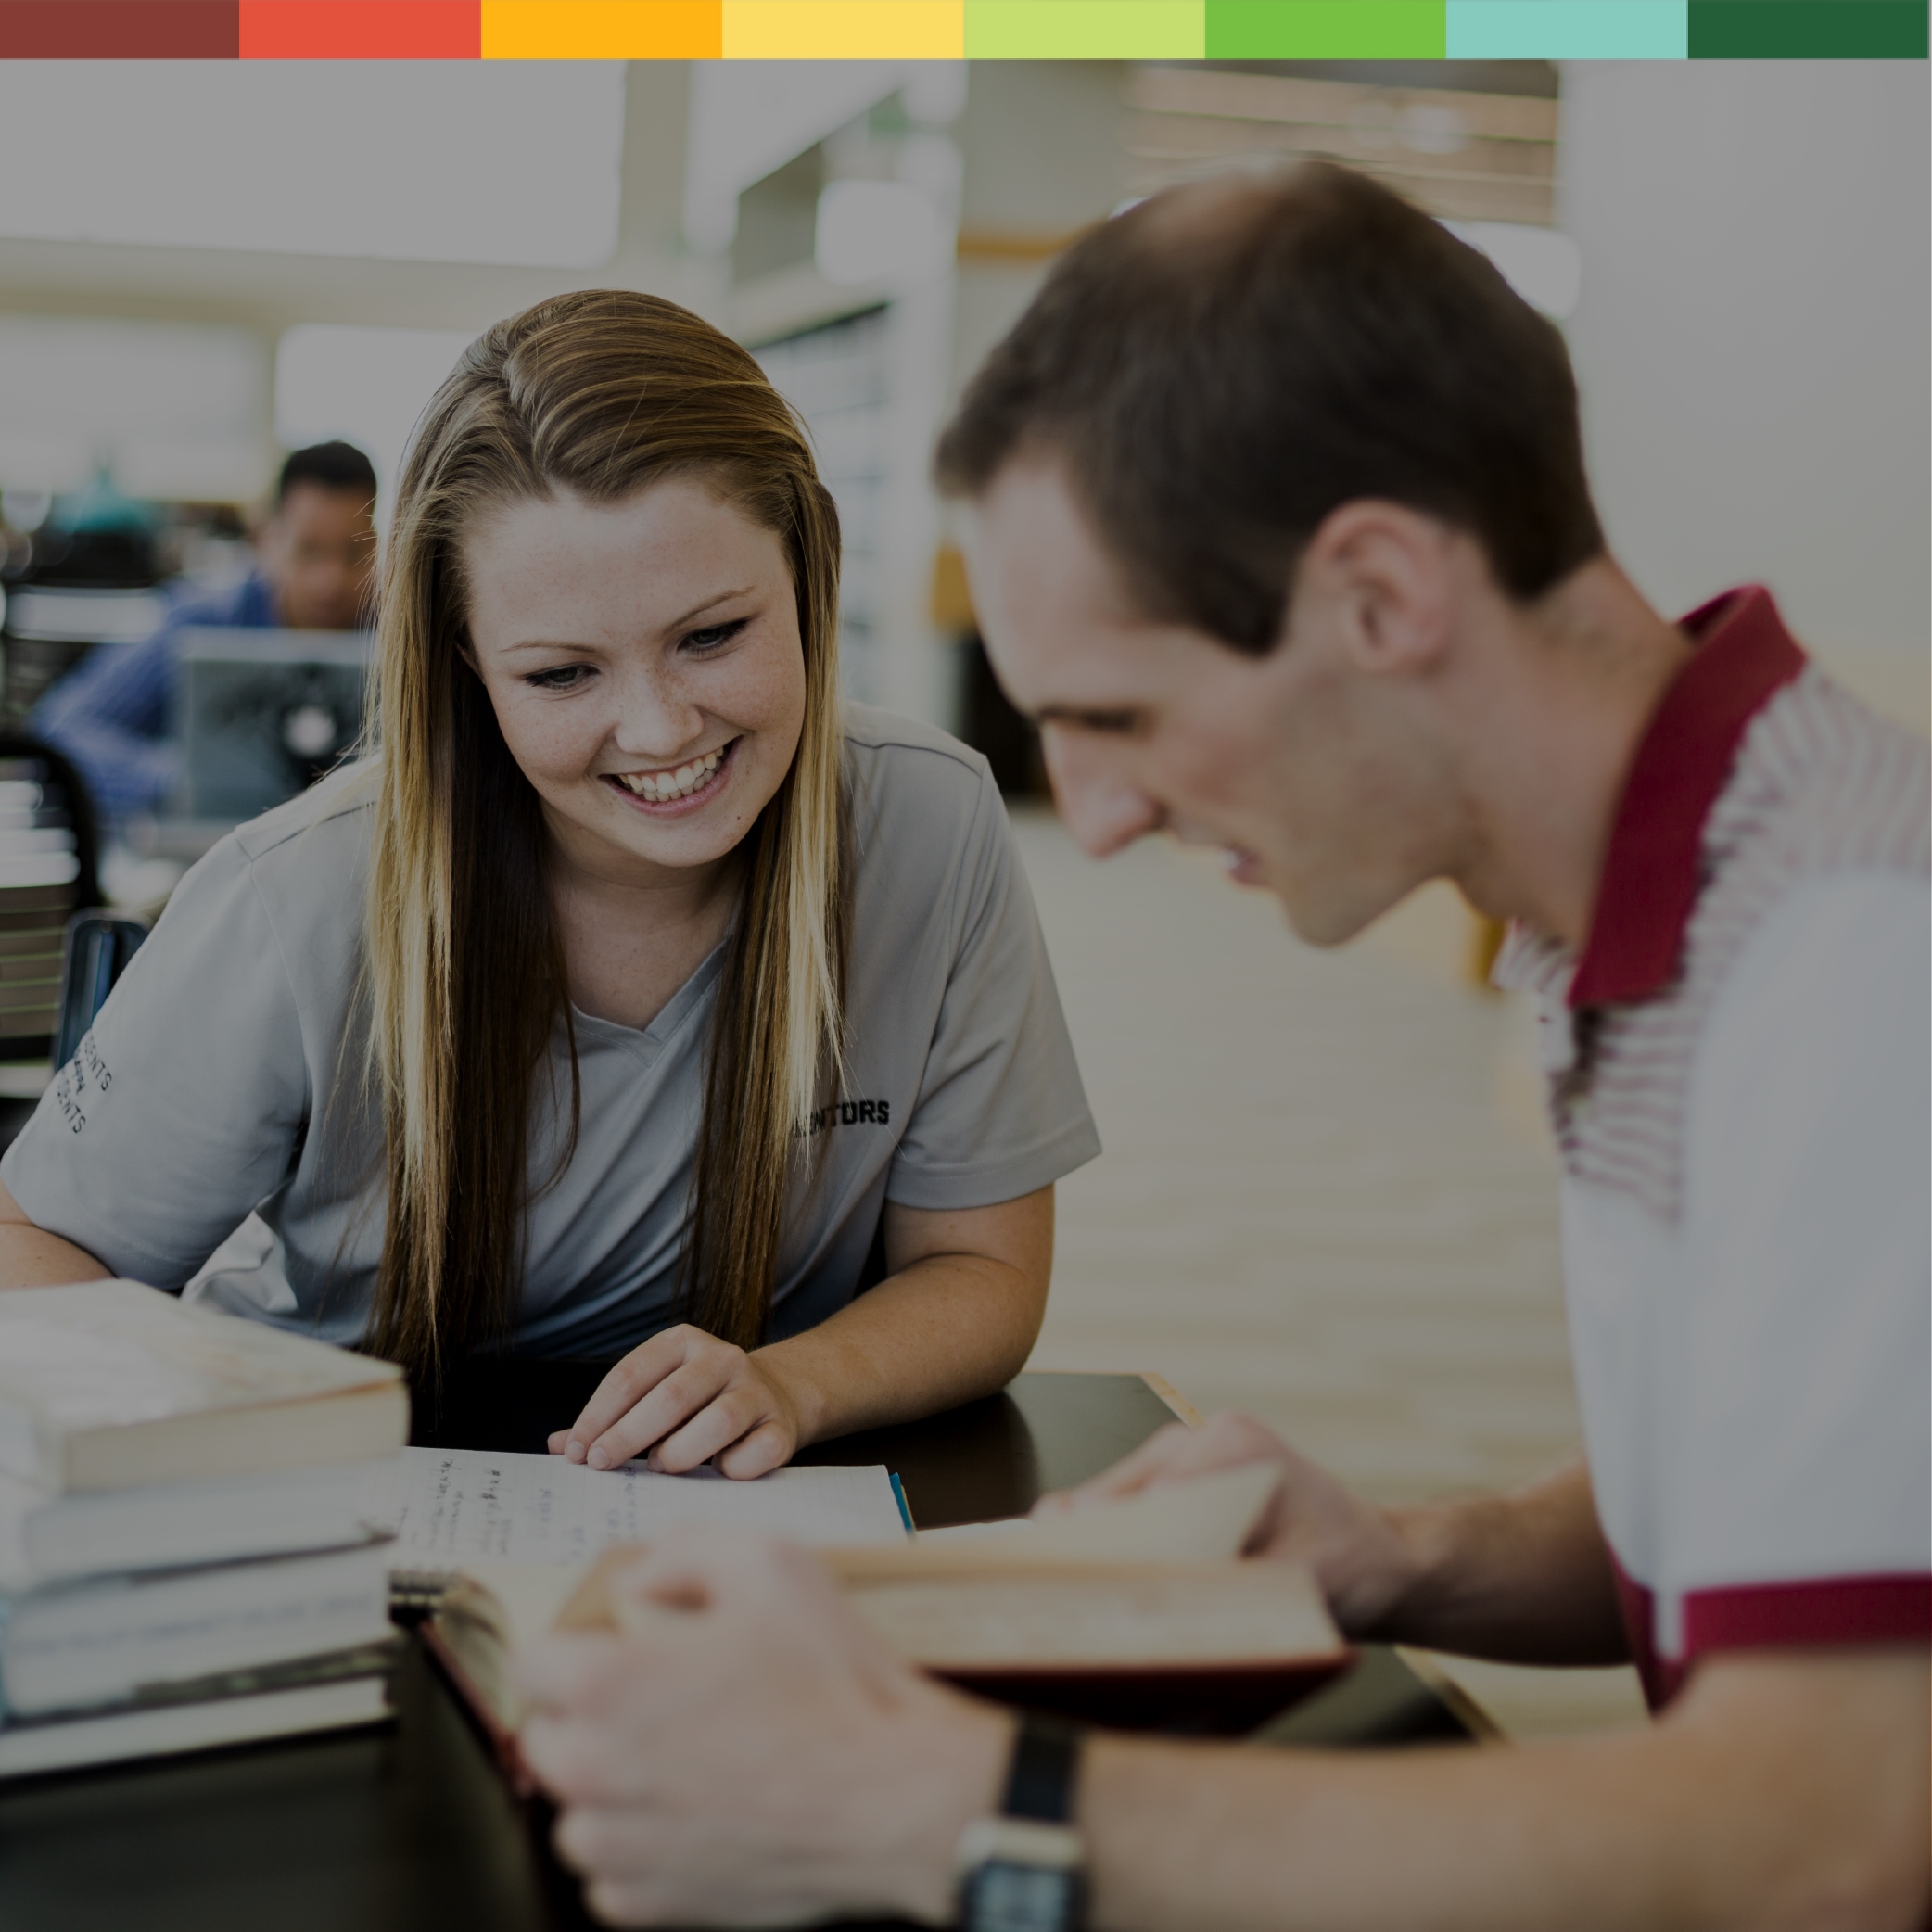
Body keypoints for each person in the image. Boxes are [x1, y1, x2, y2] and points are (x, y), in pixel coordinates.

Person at [512, 168, 1929, 1928]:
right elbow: (1788, 1516)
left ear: (1377, 592)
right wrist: (1403, 1555)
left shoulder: (1850, 968)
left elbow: (1828, 1836)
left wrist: (948, 1804)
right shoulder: (1679, 894)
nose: (1090, 820)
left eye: (1118, 713)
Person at [0, 291, 1100, 1476]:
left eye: (713, 634)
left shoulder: (929, 822)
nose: (658, 726)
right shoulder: (298, 892)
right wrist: (228, 1455)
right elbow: (35, 1243)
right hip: (322, 1504)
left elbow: (980, 1267)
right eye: (563, 672)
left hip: (728, 1521)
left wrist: (792, 1380)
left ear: (810, 562)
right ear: (467, 657)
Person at [33, 439, 380, 823]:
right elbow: (61, 731)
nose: (328, 581)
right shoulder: (197, 622)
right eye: (308, 551)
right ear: (268, 539)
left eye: (354, 553)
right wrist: (188, 779)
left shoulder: (402, 634)